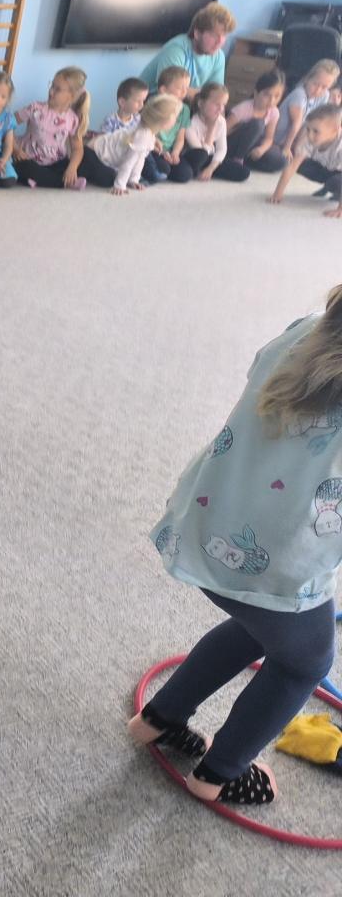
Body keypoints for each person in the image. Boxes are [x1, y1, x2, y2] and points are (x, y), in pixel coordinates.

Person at [131, 290, 342, 805]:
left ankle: (159, 718)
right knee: (304, 662)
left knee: (260, 630)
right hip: (275, 565)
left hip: (210, 521)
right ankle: (220, 774)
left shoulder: (307, 327)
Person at [78, 93, 181, 193]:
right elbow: (129, 162)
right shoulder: (142, 135)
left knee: (114, 174)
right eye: (175, 117)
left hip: (101, 153)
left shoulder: (148, 132)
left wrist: (133, 180)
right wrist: (120, 185)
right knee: (109, 179)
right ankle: (79, 169)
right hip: (93, 152)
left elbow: (140, 159)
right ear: (162, 120)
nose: (176, 121)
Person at [12, 66, 89, 190]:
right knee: (23, 167)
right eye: (52, 86)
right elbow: (7, 124)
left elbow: (77, 149)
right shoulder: (35, 108)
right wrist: (15, 149)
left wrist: (72, 168)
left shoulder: (73, 119)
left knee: (74, 165)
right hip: (29, 159)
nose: (51, 91)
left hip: (55, 163)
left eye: (57, 89)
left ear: (72, 96)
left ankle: (39, 179)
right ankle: (62, 182)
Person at [140, 2, 236, 98]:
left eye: (224, 35)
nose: (220, 41)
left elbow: (216, 94)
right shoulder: (176, 50)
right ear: (197, 34)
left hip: (186, 102)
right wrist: (205, 96)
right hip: (150, 101)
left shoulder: (218, 56)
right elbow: (171, 92)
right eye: (214, 35)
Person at [269, 103, 342, 218]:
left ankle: (336, 192)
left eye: (316, 131)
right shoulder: (309, 139)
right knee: (299, 164)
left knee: (334, 183)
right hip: (329, 168)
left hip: (339, 174)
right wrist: (278, 193)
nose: (310, 135)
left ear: (335, 131)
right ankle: (328, 184)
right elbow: (292, 167)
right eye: (308, 129)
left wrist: (340, 209)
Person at [271, 59, 341, 163]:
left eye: (324, 87)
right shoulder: (299, 94)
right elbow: (296, 124)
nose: (318, 90)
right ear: (308, 78)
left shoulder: (325, 95)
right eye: (315, 84)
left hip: (296, 140)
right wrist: (287, 148)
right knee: (281, 161)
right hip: (277, 140)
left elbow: (311, 123)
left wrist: (300, 149)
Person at [183, 82, 249, 182]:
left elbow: (221, 149)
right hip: (195, 157)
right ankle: (197, 171)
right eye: (216, 104)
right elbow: (201, 153)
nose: (221, 109)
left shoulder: (221, 121)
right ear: (201, 103)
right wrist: (211, 129)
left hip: (210, 158)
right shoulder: (190, 123)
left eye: (223, 105)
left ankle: (206, 171)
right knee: (200, 157)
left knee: (243, 172)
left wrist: (211, 169)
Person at [226, 69, 287, 173]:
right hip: (231, 144)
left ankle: (244, 160)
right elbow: (221, 131)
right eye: (267, 95)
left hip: (250, 146)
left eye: (277, 96)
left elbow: (269, 138)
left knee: (281, 161)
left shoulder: (274, 112)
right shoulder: (243, 109)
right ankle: (237, 159)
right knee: (257, 124)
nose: (272, 101)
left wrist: (262, 149)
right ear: (256, 93)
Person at [145, 66, 194, 183]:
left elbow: (180, 138)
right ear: (163, 90)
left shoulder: (185, 109)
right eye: (179, 88)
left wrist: (175, 153)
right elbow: (147, 133)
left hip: (170, 151)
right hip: (153, 149)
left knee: (185, 174)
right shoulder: (154, 104)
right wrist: (162, 152)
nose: (184, 92)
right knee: (163, 168)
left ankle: (165, 170)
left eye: (186, 88)